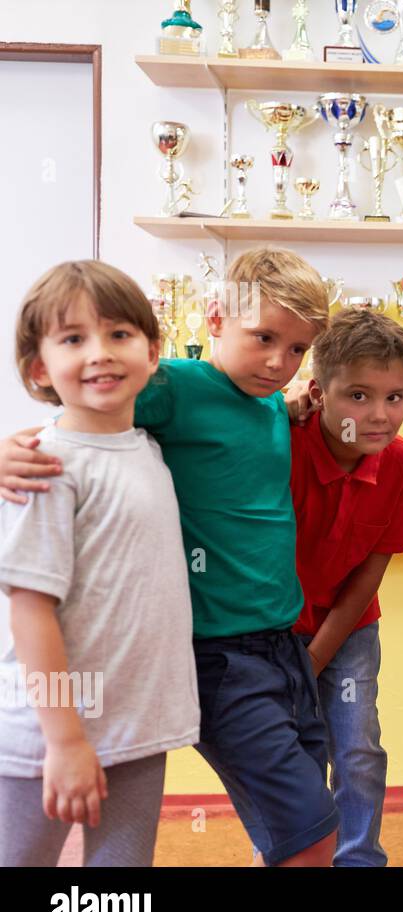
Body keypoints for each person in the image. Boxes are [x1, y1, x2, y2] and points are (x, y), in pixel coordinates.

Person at [0, 260, 200, 867]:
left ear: (153, 350)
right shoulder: (45, 465)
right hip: (46, 736)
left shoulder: (150, 450)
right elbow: (30, 608)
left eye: (118, 334)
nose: (100, 354)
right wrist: (63, 741)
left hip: (137, 728)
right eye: (73, 339)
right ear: (40, 366)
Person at [290, 307, 403, 866]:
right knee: (291, 757)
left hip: (349, 628)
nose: (380, 415)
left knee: (358, 749)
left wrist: (317, 657)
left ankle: (359, 858)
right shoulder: (282, 444)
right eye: (359, 396)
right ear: (318, 392)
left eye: (395, 397)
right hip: (273, 630)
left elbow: (370, 573)